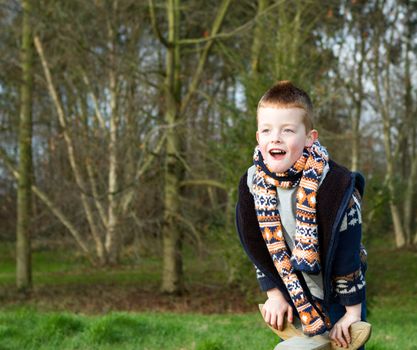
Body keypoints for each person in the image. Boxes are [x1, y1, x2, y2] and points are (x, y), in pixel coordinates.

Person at [235, 81, 369, 349]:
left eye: (287, 130)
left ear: (310, 138)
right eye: (267, 130)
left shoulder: (335, 187)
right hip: (293, 290)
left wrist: (352, 314)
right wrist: (273, 294)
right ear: (258, 137)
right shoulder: (254, 184)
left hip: (337, 293)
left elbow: (347, 255)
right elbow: (257, 244)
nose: (275, 138)